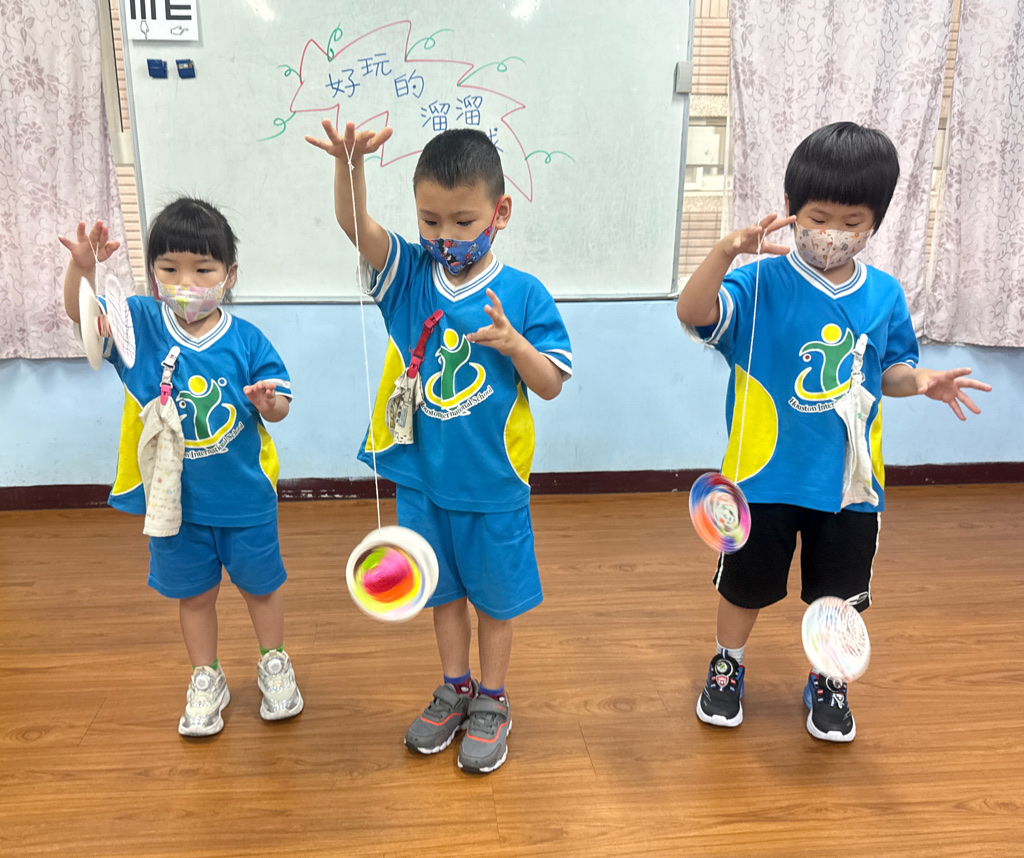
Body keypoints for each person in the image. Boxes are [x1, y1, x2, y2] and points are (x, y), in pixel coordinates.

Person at [675, 122, 991, 743]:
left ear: (875, 222)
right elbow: (692, 315)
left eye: (852, 221)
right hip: (762, 477)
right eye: (819, 217)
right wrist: (725, 252)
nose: (833, 233)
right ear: (791, 209)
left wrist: (921, 381)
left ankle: (827, 679)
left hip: (849, 485)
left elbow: (889, 373)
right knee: (744, 585)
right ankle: (727, 664)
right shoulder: (758, 282)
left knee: (838, 594)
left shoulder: (884, 294)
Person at [306, 120, 572, 773]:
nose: (444, 237)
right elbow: (355, 225)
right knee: (441, 593)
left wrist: (516, 345)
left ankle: (493, 700)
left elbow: (551, 384)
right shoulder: (409, 276)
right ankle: (454, 688)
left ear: (499, 213)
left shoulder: (524, 294)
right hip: (422, 482)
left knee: (495, 600)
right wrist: (349, 166)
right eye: (430, 221)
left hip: (493, 487)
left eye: (462, 221)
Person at [59, 198, 303, 737]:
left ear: (229, 275)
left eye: (202, 270)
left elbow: (282, 404)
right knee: (194, 596)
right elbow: (84, 319)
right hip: (175, 505)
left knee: (261, 588)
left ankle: (274, 661)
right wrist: (82, 268)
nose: (185, 283)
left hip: (245, 500)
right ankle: (206, 675)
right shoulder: (141, 324)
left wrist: (270, 404)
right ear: (153, 274)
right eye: (169, 269)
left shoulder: (247, 339)